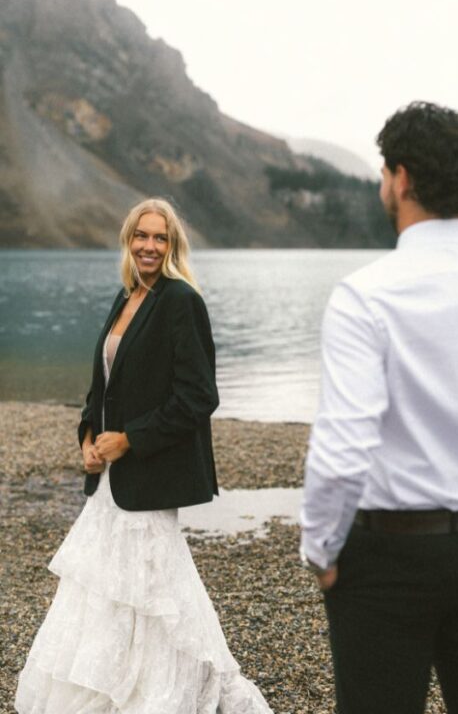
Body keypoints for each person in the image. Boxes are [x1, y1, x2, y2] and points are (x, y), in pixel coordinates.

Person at [15, 198, 272, 712]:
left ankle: (165, 692)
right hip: (111, 477)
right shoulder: (125, 296)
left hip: (150, 473)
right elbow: (103, 389)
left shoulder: (181, 301)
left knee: (155, 587)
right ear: (128, 242)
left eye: (160, 238)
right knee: (107, 588)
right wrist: (89, 436)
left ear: (172, 245)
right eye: (141, 236)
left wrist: (129, 438)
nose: (149, 246)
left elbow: (199, 396)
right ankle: (112, 685)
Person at [300, 102, 458, 713]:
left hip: (389, 554)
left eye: (385, 171)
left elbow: (344, 447)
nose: (383, 184)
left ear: (403, 177)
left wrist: (320, 548)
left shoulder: (365, 296)